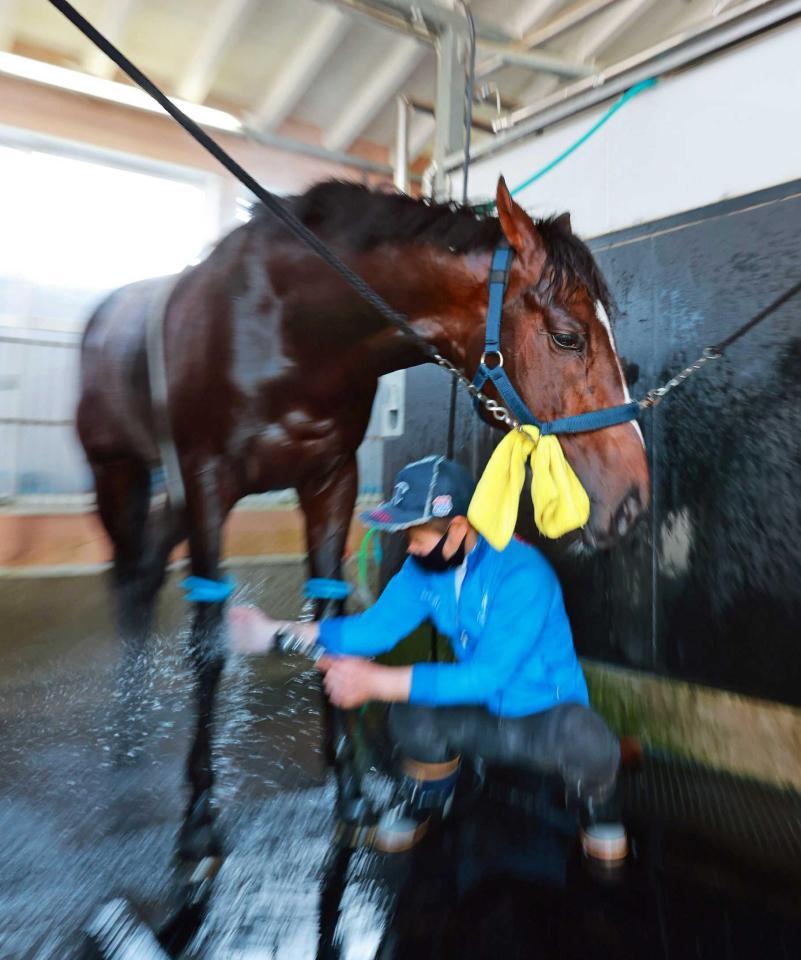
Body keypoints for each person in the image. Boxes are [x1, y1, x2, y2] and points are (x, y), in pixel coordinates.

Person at [229, 455, 626, 861]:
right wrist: (275, 635)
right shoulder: (421, 571)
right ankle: (430, 794)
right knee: (410, 714)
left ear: (457, 529)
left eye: (416, 535)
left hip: (545, 723)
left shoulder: (522, 573)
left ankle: (596, 803)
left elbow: (487, 676)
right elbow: (371, 631)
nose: (409, 545)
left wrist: (375, 682)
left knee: (588, 738)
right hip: (481, 717)